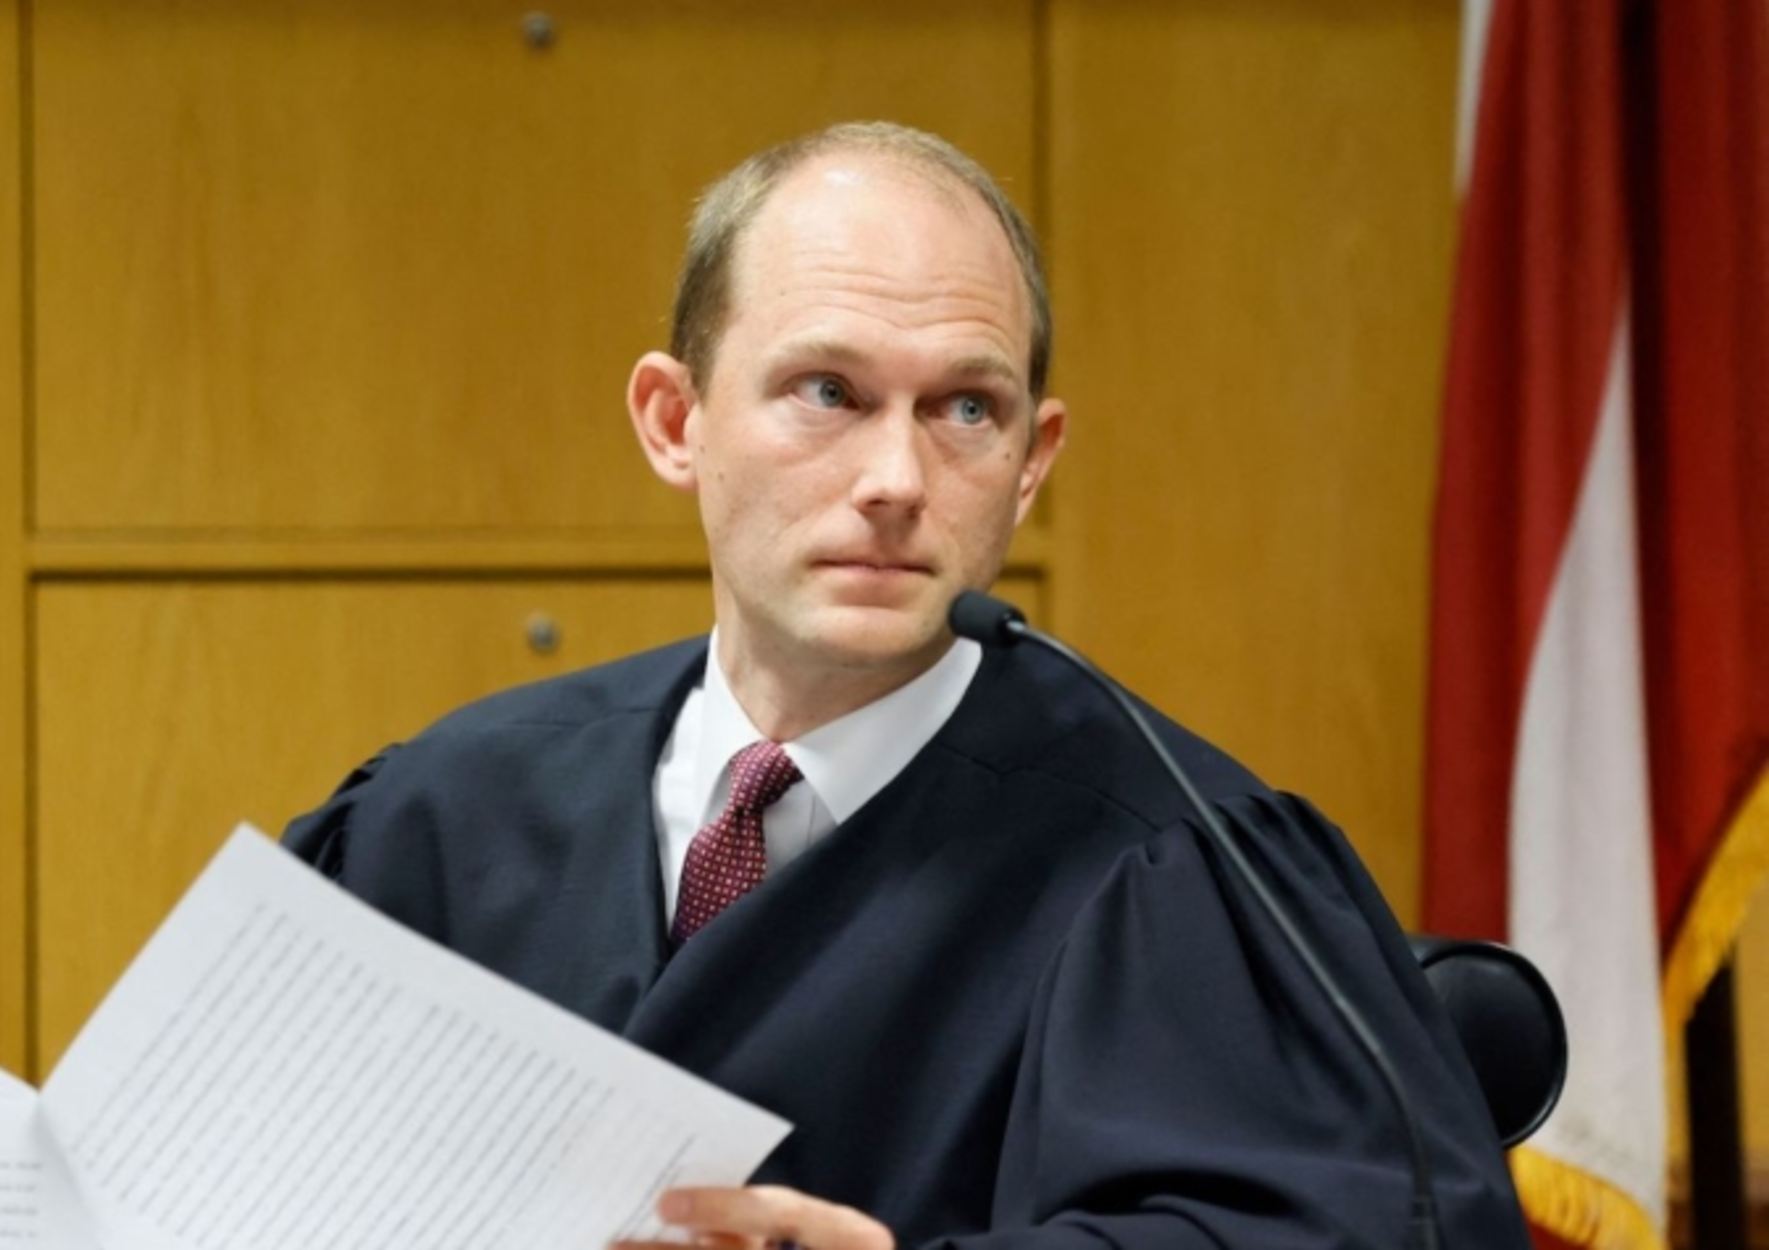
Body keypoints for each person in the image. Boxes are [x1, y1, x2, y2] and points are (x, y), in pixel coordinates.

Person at [283, 122, 1528, 1248]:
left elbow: (1352, 1230)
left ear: (1031, 459)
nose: (897, 478)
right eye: (828, 392)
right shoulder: (442, 817)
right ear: (675, 421)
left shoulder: (1171, 865)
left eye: (965, 408)